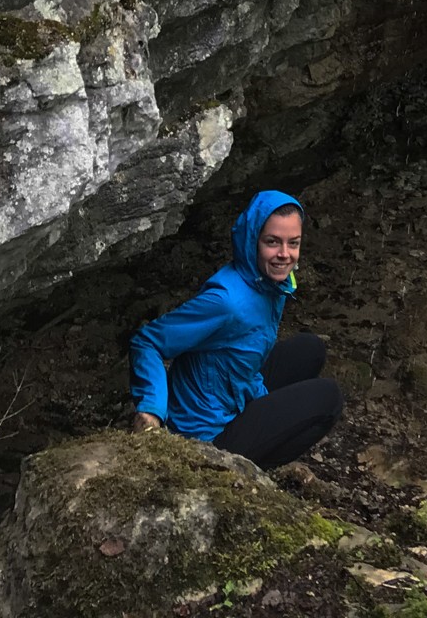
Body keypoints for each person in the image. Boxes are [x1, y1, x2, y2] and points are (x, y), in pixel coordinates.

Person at [129, 188, 343, 469]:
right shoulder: (226, 301)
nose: (285, 254)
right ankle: (240, 470)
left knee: (309, 349)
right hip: (204, 434)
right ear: (252, 240)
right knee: (329, 398)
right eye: (272, 242)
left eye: (294, 243)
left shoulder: (268, 284)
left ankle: (253, 439)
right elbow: (148, 342)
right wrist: (152, 409)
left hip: (231, 392)